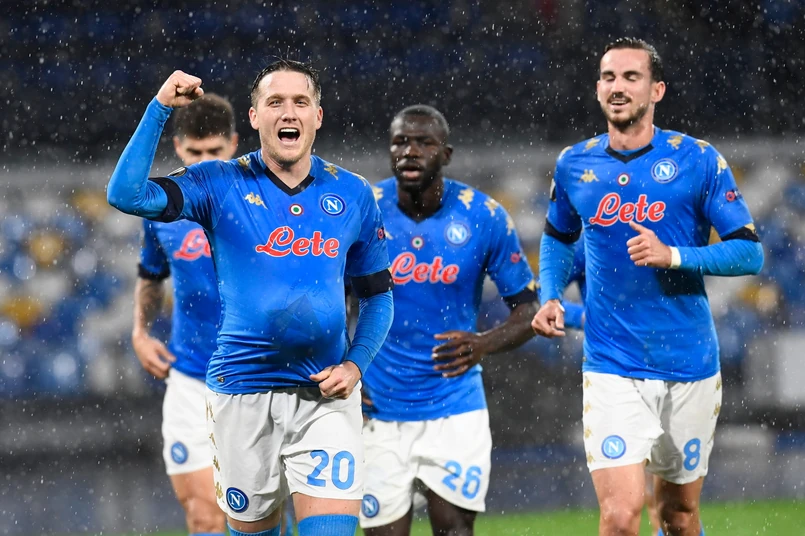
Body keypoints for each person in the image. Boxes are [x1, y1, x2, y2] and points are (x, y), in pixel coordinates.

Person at [108, 60, 394, 536]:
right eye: (275, 102)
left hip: (322, 397)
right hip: (241, 394)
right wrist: (160, 107)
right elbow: (124, 194)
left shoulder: (353, 193)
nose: (289, 112)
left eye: (301, 101)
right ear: (255, 117)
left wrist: (356, 365)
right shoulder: (217, 183)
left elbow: (378, 297)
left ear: (318, 116)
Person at [531, 38, 764, 536]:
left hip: (688, 361)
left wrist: (673, 256)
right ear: (598, 88)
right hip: (612, 364)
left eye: (631, 77)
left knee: (677, 517)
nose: (617, 87)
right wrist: (550, 294)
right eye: (608, 77)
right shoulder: (574, 164)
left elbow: (749, 252)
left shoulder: (698, 159)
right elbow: (557, 237)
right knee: (620, 517)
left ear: (656, 90)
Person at [359, 105, 583, 536]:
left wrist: (483, 343)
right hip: (377, 409)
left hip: (455, 408)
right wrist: (347, 367)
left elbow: (528, 309)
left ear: (446, 154)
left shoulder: (483, 215)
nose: (410, 151)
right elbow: (330, 299)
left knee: (455, 530)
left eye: (424, 143)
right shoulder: (363, 211)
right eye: (400, 142)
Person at [133, 94, 237, 536]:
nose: (205, 162)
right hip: (192, 379)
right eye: (195, 152)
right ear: (178, 147)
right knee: (203, 517)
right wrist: (140, 331)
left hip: (258, 379)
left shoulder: (263, 200)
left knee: (259, 520)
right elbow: (151, 274)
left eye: (215, 151)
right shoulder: (162, 209)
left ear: (234, 144)